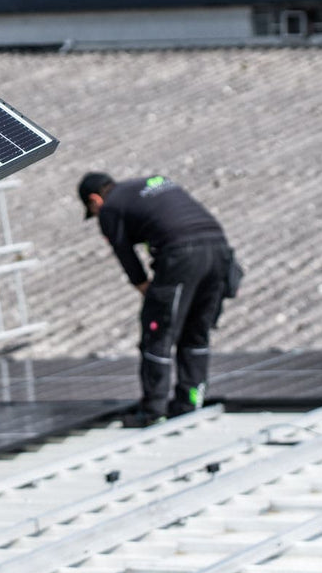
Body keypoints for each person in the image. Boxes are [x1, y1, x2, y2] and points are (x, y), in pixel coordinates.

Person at [78, 171, 235, 426]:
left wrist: (145, 288)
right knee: (196, 331)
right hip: (219, 249)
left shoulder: (111, 207)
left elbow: (124, 252)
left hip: (182, 253)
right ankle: (189, 402)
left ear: (95, 200)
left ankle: (152, 411)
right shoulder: (148, 186)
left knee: (158, 332)